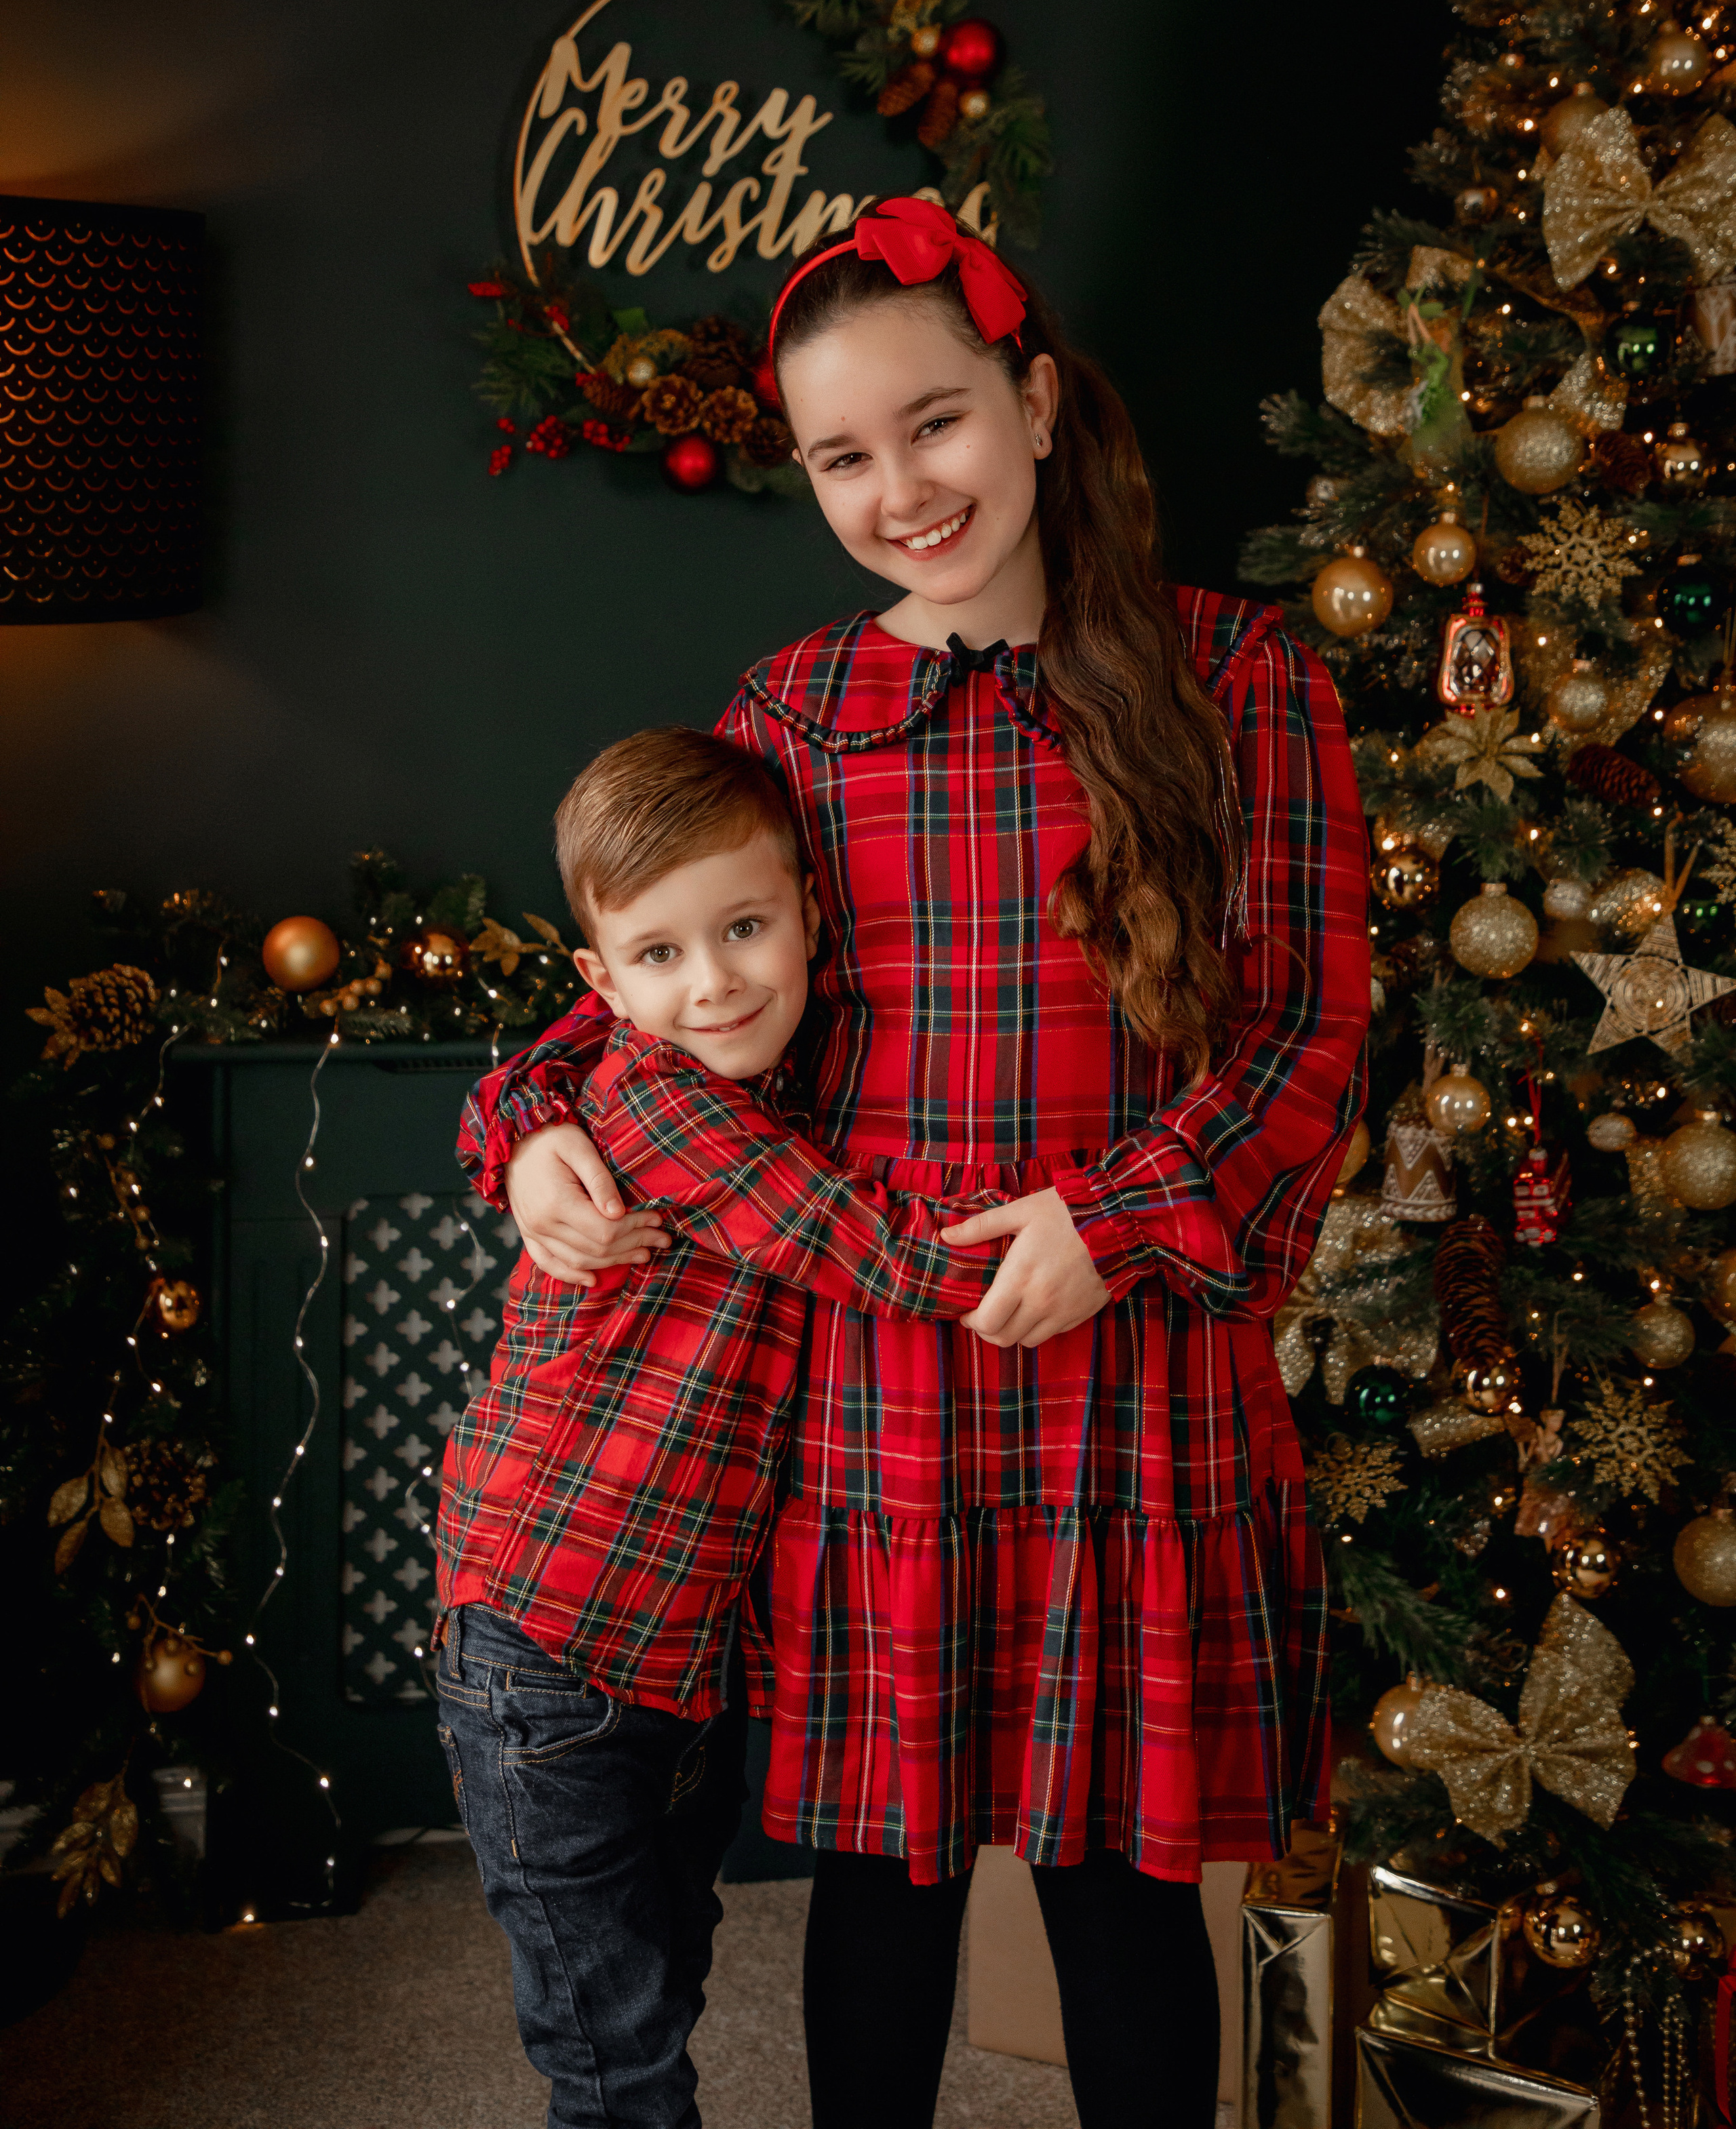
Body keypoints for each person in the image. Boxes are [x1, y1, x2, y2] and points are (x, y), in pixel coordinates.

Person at [461, 197, 1371, 2129]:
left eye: (936, 424)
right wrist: (532, 1127)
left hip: (1127, 1376)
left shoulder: (1241, 680)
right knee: (879, 1884)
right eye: (843, 458)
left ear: (1035, 404)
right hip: (877, 1384)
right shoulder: (802, 710)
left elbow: (1307, 1034)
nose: (902, 490)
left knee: (1125, 1893)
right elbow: (644, 985)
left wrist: (1115, 1223)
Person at [434, 722, 1113, 2129]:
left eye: (744, 928)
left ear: (810, 906)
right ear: (602, 984)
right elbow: (867, 1248)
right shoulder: (661, 1100)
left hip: (673, 1657)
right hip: (545, 1648)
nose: (716, 982)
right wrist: (1097, 1229)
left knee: (663, 1984)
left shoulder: (774, 1072)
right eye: (663, 956)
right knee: (614, 2056)